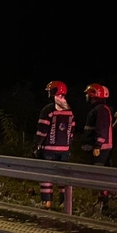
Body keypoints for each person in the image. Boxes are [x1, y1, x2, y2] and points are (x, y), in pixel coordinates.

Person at [32, 81, 74, 209]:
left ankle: (46, 202)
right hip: (65, 151)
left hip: (49, 150)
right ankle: (64, 203)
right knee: (63, 178)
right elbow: (72, 131)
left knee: (46, 176)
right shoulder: (69, 111)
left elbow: (42, 130)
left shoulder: (48, 110)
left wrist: (36, 145)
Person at [82, 83, 114, 210]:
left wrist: (97, 145)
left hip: (101, 149)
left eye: (88, 94)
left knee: (99, 176)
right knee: (99, 176)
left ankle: (103, 202)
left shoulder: (100, 109)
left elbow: (101, 129)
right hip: (101, 147)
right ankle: (102, 200)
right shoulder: (100, 108)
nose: (87, 96)